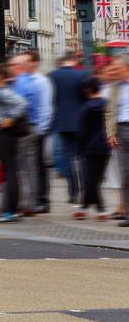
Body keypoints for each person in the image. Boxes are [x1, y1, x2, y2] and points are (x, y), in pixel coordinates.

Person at [0, 63, 28, 223]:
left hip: (5, 135)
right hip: (1, 135)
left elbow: (22, 104)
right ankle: (8, 209)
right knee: (7, 173)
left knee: (10, 173)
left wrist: (9, 119)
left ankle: (10, 211)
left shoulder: (2, 92)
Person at [10, 51, 51, 214]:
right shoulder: (27, 81)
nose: (11, 67)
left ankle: (33, 202)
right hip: (33, 128)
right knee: (32, 168)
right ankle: (33, 202)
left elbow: (45, 107)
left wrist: (42, 129)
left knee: (27, 168)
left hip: (29, 129)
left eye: (14, 65)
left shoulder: (29, 82)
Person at [48, 52, 89, 206]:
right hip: (81, 122)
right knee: (83, 158)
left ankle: (73, 192)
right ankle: (85, 191)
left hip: (62, 122)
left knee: (67, 157)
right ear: (74, 61)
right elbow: (87, 99)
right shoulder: (83, 75)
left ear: (62, 61)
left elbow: (51, 99)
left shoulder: (53, 76)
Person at [77, 77, 110, 220]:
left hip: (90, 147)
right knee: (97, 178)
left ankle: (100, 209)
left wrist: (80, 147)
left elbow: (83, 130)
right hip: (106, 146)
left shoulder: (85, 108)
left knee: (92, 179)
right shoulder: (107, 104)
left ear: (87, 90)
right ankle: (84, 207)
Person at [103, 59, 129, 225]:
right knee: (125, 175)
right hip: (120, 131)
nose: (115, 71)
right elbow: (110, 112)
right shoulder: (115, 87)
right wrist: (111, 133)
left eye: (118, 68)